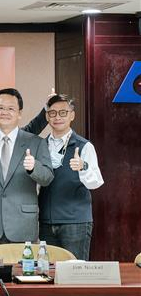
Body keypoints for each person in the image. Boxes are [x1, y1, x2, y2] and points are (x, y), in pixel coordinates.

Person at [0, 89, 53, 245]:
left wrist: (34, 168)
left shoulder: (36, 142)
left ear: (19, 113)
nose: (5, 112)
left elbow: (47, 177)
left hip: (23, 224)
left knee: (24, 263)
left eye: (11, 108)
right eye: (1, 108)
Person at [39, 94, 104, 260]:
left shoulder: (84, 146)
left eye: (63, 112)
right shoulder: (40, 145)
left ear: (72, 115)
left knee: (75, 270)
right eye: (52, 113)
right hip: (46, 221)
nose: (57, 117)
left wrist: (83, 167)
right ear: (47, 116)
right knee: (48, 270)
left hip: (75, 222)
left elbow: (96, 182)